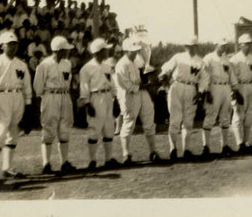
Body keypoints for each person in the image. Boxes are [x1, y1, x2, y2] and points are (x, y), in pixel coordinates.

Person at [0, 31, 33, 184]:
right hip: (1, 97)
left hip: (17, 97)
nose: (12, 47)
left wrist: (28, 105)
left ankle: (8, 167)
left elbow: (27, 87)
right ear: (2, 46)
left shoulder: (22, 64)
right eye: (9, 44)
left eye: (15, 44)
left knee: (13, 134)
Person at [158, 36, 210, 161]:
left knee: (188, 121)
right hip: (177, 86)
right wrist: (164, 74)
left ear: (196, 46)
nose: (190, 48)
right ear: (185, 46)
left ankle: (187, 150)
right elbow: (167, 68)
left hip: (191, 88)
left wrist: (201, 92)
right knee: (175, 119)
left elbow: (205, 78)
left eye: (193, 46)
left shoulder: (201, 61)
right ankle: (173, 149)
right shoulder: (178, 57)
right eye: (188, 46)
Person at [33, 36, 77, 174]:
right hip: (50, 96)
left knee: (65, 128)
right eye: (65, 50)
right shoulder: (44, 65)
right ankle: (46, 163)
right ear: (58, 50)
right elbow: (38, 86)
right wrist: (44, 97)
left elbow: (68, 81)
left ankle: (64, 162)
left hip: (64, 95)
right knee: (49, 127)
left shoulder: (67, 64)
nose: (67, 52)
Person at [115, 38, 162, 164]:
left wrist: (147, 80)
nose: (135, 52)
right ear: (126, 50)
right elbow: (124, 84)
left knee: (149, 118)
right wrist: (141, 86)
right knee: (129, 122)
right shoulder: (121, 64)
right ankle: (126, 154)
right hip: (128, 94)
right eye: (132, 51)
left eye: (136, 50)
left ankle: (153, 151)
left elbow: (143, 75)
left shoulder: (137, 61)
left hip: (141, 92)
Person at [78, 38, 120, 170]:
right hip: (95, 97)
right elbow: (84, 87)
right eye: (105, 50)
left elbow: (112, 84)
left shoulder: (107, 67)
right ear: (98, 52)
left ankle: (108, 159)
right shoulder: (86, 68)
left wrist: (116, 99)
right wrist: (87, 103)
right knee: (94, 128)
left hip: (108, 97)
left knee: (109, 127)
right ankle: (92, 160)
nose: (107, 52)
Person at [202, 38, 240, 157]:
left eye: (225, 46)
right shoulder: (208, 58)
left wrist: (235, 88)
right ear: (216, 45)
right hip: (214, 87)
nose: (224, 48)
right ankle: (206, 147)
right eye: (221, 45)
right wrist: (207, 91)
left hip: (226, 88)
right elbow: (205, 76)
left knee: (225, 117)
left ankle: (225, 146)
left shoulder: (226, 59)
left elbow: (231, 75)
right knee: (210, 116)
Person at [229, 33, 252, 152]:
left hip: (251, 86)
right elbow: (231, 76)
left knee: (250, 115)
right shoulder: (234, 59)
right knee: (238, 115)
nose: (247, 46)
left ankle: (246, 142)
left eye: (249, 44)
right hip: (240, 86)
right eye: (245, 44)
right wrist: (235, 91)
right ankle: (239, 143)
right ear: (240, 45)